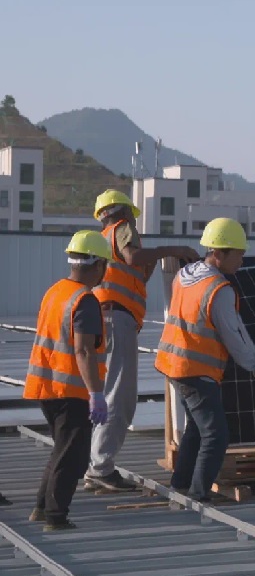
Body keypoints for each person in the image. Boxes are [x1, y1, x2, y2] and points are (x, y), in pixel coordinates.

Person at [154, 218, 255, 502]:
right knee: (216, 435)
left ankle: (180, 486)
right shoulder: (219, 289)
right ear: (219, 253)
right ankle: (198, 497)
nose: (242, 261)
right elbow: (233, 336)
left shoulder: (185, 274)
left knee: (197, 430)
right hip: (195, 369)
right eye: (238, 254)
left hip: (173, 364)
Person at [85, 189, 200, 493]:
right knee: (119, 397)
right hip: (115, 320)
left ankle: (96, 465)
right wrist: (172, 248)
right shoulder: (122, 229)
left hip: (106, 319)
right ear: (122, 212)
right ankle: (100, 468)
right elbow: (133, 256)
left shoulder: (102, 241)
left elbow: (132, 270)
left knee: (108, 394)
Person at [24, 231, 112, 531]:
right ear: (98, 264)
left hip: (48, 387)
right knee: (72, 456)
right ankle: (56, 516)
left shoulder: (56, 291)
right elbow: (84, 349)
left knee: (61, 449)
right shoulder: (85, 300)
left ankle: (41, 507)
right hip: (71, 389)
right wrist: (96, 394)